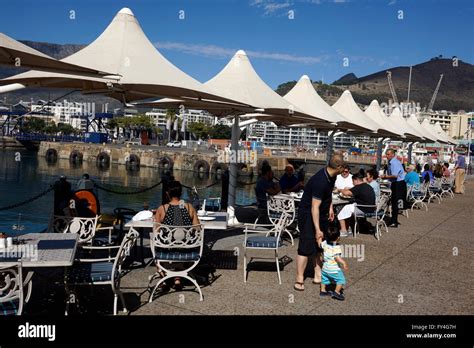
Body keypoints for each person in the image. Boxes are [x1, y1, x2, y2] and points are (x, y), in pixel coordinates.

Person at [294, 153, 346, 291]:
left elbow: (327, 194)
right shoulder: (320, 181)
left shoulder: (332, 176)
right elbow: (314, 207)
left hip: (321, 212)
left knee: (320, 246)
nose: (345, 170)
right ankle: (299, 279)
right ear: (339, 167)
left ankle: (318, 275)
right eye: (344, 167)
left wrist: (329, 206)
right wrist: (317, 229)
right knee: (305, 246)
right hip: (308, 214)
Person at [154, 180, 200, 289]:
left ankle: (163, 278)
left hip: (167, 249)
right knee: (180, 244)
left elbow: (157, 231)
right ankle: (178, 279)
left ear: (167, 194)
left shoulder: (162, 209)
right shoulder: (189, 207)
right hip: (186, 249)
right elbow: (197, 228)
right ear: (180, 193)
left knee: (156, 245)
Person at [320, 227, 348, 301]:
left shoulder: (324, 243)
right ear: (338, 238)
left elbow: (320, 245)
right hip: (334, 269)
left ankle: (323, 291)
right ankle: (336, 292)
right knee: (341, 280)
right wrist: (344, 263)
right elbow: (337, 258)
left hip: (325, 268)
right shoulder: (336, 248)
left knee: (324, 279)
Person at [380, 149, 406, 228]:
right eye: (386, 154)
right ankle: (393, 220)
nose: (386, 156)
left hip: (399, 184)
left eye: (388, 154)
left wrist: (385, 176)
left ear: (392, 155)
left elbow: (395, 175)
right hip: (396, 183)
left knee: (395, 203)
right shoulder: (391, 162)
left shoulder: (394, 162)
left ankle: (394, 222)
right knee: (394, 202)